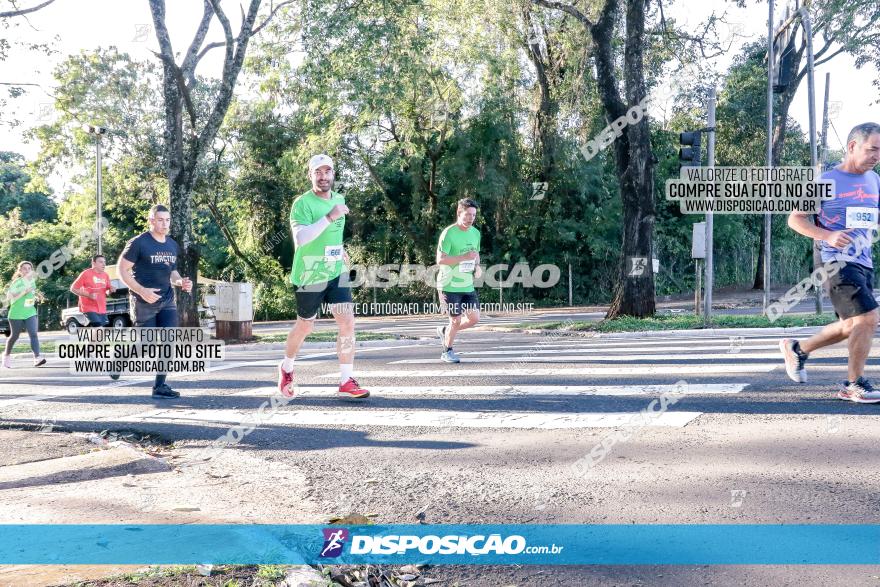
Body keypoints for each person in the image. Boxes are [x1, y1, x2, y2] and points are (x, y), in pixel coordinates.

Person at [780, 122, 880, 402]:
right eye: (872, 149)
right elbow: (795, 219)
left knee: (852, 326)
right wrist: (828, 234)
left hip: (864, 262)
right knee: (869, 318)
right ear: (852, 147)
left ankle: (797, 349)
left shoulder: (874, 180)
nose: (877, 156)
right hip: (836, 262)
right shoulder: (826, 182)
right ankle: (853, 384)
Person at [278, 154, 369, 400]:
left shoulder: (339, 199)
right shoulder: (302, 203)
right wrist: (330, 216)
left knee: (347, 321)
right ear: (311, 175)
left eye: (327, 171)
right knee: (306, 325)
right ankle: (287, 367)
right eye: (318, 172)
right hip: (309, 273)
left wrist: (341, 250)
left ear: (333, 174)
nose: (323, 176)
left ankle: (345, 380)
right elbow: (302, 239)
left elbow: (333, 236)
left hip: (335, 271)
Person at [117, 204, 193, 398]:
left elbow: (172, 271)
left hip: (167, 300)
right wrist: (141, 291)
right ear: (151, 220)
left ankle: (160, 386)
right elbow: (122, 270)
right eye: (160, 220)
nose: (164, 224)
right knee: (146, 344)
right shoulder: (138, 243)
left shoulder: (171, 244)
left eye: (167, 220)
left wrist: (180, 282)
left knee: (169, 340)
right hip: (144, 301)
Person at [435, 198, 482, 363]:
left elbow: (475, 254)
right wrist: (463, 258)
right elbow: (440, 260)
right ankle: (446, 351)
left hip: (466, 285)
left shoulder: (475, 233)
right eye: (468, 214)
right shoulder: (449, 233)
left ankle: (446, 331)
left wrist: (477, 267)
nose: (471, 218)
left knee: (474, 318)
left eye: (474, 215)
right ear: (459, 213)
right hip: (449, 284)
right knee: (456, 320)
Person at [2, 261, 45, 369]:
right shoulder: (17, 282)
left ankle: (37, 358)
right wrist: (24, 292)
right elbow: (9, 297)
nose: (27, 270)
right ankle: (6, 355)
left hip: (30, 312)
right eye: (24, 268)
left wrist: (37, 296)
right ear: (20, 271)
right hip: (16, 313)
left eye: (29, 268)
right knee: (14, 336)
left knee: (33, 334)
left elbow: (31, 293)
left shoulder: (32, 281)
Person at [70, 254, 116, 328]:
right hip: (89, 308)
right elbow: (73, 288)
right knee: (99, 328)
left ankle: (91, 339)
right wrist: (88, 295)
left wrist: (111, 290)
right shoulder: (86, 274)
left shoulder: (105, 275)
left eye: (104, 262)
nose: (104, 264)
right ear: (94, 263)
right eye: (101, 262)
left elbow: (107, 292)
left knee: (100, 333)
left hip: (102, 308)